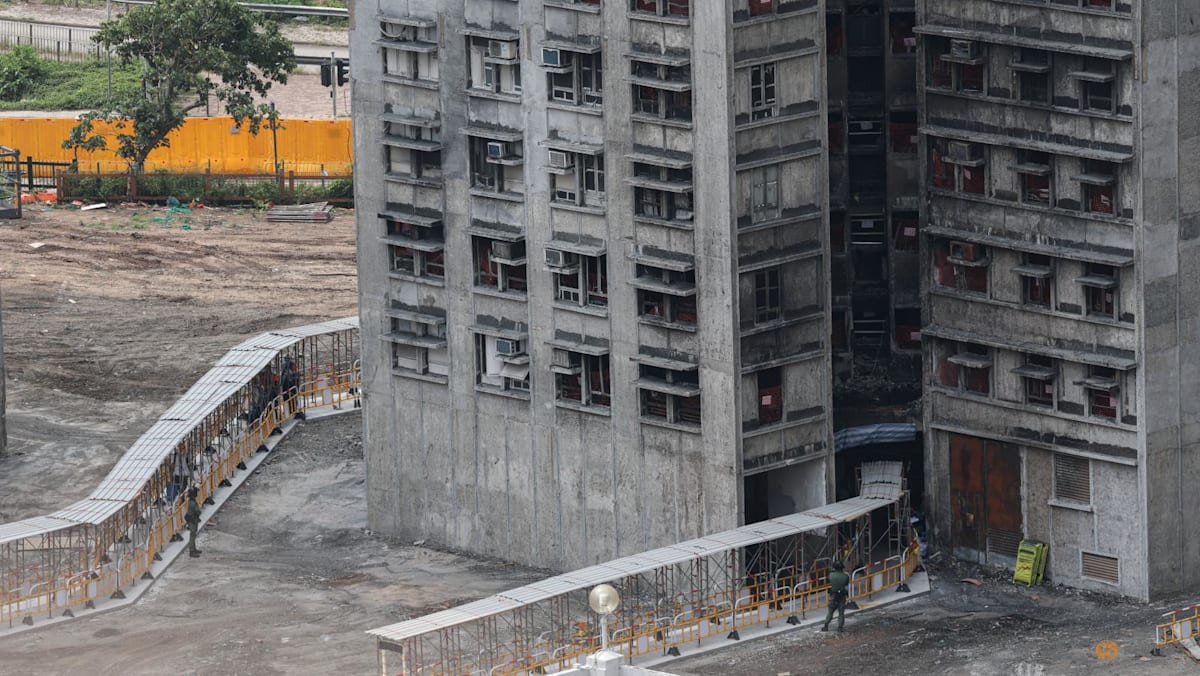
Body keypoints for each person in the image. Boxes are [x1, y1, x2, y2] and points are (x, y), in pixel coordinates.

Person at [822, 560, 850, 632]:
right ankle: (840, 627)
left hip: (833, 595)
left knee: (830, 612)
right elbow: (846, 584)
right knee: (841, 613)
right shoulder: (845, 576)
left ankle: (826, 625)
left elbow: (829, 582)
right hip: (842, 596)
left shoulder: (831, 575)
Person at [185, 487, 202, 558]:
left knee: (193, 535)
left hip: (192, 519)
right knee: (192, 535)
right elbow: (197, 511)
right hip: (192, 520)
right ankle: (192, 551)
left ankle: (194, 549)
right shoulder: (192, 502)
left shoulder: (191, 501)